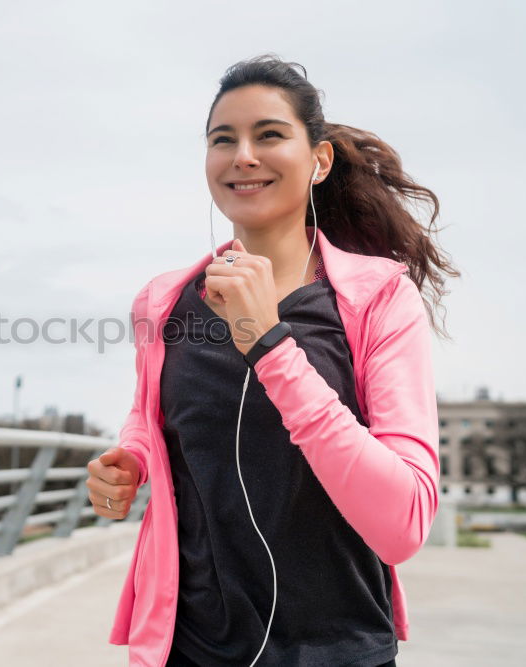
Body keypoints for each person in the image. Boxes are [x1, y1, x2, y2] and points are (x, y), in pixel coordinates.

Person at [85, 54, 460, 667]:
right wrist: (129, 463)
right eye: (222, 140)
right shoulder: (162, 301)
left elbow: (405, 522)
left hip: (339, 650)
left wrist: (270, 346)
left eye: (269, 135)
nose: (243, 156)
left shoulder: (379, 298)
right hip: (191, 647)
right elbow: (149, 421)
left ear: (319, 160)